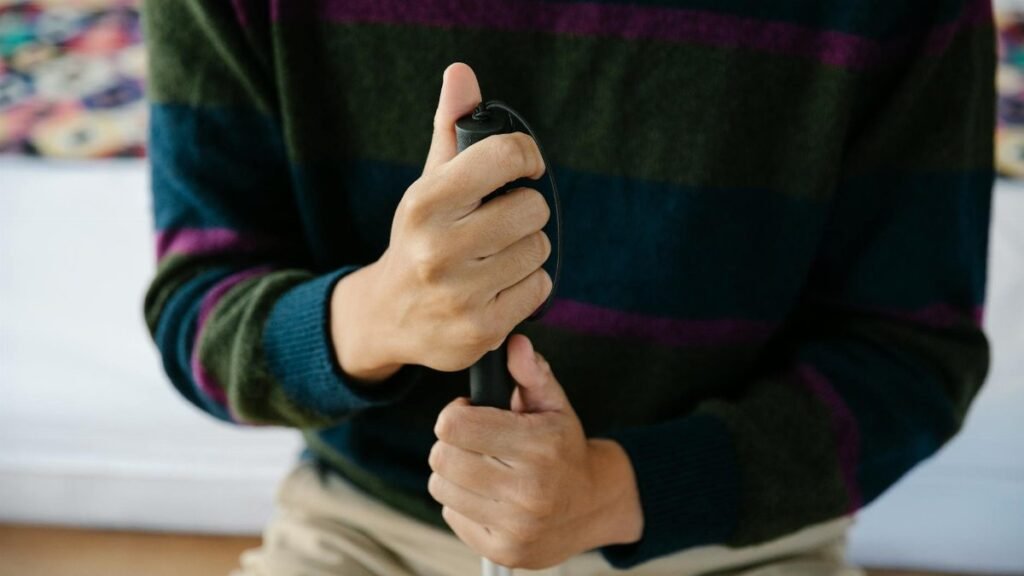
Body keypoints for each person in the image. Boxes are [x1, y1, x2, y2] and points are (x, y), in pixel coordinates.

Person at [141, 1, 995, 574]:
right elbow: (199, 315)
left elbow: (914, 354)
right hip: (373, 532)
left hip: (731, 537)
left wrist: (616, 490)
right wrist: (376, 315)